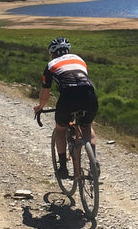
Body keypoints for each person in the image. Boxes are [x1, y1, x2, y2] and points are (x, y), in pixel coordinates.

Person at [33, 36, 98, 179]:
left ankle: (62, 167)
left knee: (60, 130)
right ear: (68, 50)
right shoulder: (79, 59)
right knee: (86, 127)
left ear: (52, 53)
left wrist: (40, 107)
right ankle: (94, 163)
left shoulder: (51, 65)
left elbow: (45, 92)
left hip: (68, 98)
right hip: (89, 95)